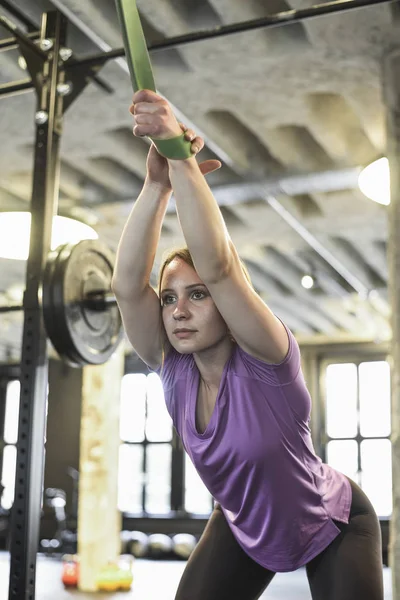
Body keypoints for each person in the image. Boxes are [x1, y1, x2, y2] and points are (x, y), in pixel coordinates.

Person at [112, 89, 384, 600]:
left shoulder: (266, 357)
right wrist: (155, 187)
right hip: (244, 524)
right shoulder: (174, 369)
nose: (179, 311)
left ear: (224, 303)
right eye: (169, 299)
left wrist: (179, 156)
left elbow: (220, 265)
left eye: (197, 296)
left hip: (333, 521)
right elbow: (127, 288)